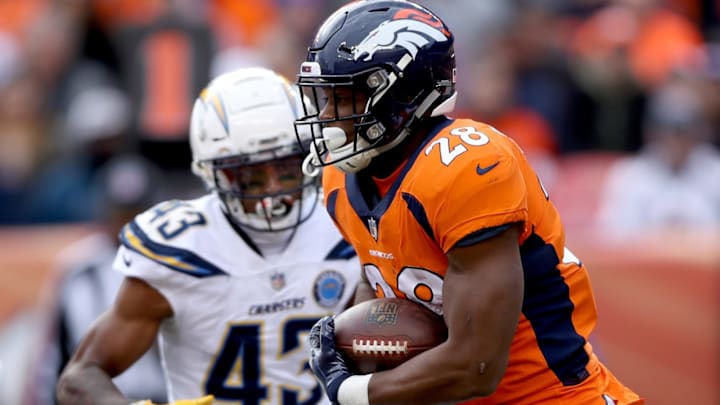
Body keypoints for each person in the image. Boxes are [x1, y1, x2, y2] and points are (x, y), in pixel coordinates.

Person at [292, 1, 644, 404]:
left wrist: (352, 392)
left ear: (403, 94)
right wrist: (354, 342)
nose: (328, 116)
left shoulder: (467, 165)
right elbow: (381, 280)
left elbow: (477, 365)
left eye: (347, 98)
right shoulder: (342, 176)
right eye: (325, 97)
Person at [56, 67, 362, 404]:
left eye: (286, 170)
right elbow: (80, 375)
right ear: (214, 173)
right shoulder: (182, 248)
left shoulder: (344, 225)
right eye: (252, 177)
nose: (274, 191)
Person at [29, 154, 168, 405]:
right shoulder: (78, 268)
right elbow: (51, 356)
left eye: (136, 213)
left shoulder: (173, 263)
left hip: (164, 397)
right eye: (120, 213)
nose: (127, 224)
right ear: (103, 211)